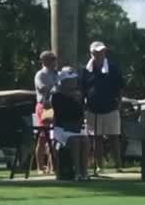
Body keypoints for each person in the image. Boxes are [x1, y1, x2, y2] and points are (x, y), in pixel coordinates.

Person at [82, 41, 125, 172]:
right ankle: (99, 166)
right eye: (98, 52)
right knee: (97, 139)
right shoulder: (85, 70)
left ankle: (118, 165)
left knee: (114, 137)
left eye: (103, 52)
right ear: (92, 53)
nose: (101, 54)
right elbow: (83, 88)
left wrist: (119, 103)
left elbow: (120, 87)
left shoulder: (113, 68)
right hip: (92, 109)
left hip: (111, 108)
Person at [50, 68, 90, 181]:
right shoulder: (56, 95)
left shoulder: (78, 95)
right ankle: (77, 173)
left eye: (74, 80)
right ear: (63, 82)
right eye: (70, 80)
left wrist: (78, 102)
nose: (73, 82)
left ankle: (84, 172)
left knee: (85, 141)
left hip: (76, 128)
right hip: (62, 129)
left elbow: (79, 115)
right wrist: (71, 99)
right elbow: (63, 114)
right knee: (75, 141)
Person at [33, 51, 59, 174]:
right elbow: (43, 89)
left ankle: (52, 165)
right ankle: (40, 166)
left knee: (54, 136)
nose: (54, 61)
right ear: (44, 61)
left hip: (56, 106)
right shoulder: (41, 74)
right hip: (45, 107)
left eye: (54, 59)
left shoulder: (56, 74)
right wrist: (55, 88)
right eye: (51, 59)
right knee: (43, 137)